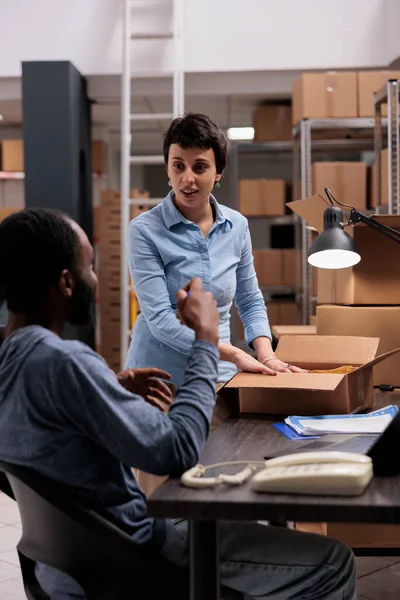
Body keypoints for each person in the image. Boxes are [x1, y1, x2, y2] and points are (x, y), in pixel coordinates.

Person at [0, 208, 356, 599]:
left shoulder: (15, 355)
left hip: (68, 565)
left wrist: (105, 389)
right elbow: (180, 450)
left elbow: (46, 432)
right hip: (131, 561)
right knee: (334, 562)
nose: (95, 278)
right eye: (90, 265)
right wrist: (205, 338)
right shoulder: (63, 362)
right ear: (67, 282)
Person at [125, 113, 304, 388]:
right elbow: (160, 320)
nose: (187, 179)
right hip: (159, 378)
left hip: (217, 374)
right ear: (167, 168)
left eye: (199, 167)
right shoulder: (144, 230)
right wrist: (233, 353)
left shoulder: (237, 226)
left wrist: (266, 355)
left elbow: (250, 300)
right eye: (178, 166)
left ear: (218, 172)